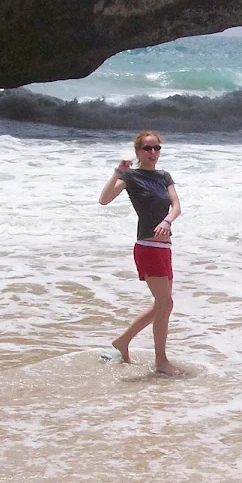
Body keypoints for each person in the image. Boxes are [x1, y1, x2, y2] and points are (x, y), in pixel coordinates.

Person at [98, 130, 185, 376]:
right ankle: (161, 362)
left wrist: (167, 221)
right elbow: (104, 200)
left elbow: (176, 205)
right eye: (147, 149)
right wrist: (118, 171)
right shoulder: (132, 176)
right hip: (147, 247)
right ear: (138, 152)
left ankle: (123, 342)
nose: (153, 153)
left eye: (157, 148)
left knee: (163, 304)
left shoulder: (164, 176)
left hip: (165, 247)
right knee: (165, 302)